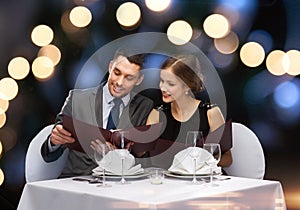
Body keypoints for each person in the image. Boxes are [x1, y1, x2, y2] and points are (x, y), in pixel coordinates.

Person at [41, 48, 154, 177]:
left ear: (139, 80)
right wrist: (53, 142)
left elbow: (143, 159)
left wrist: (119, 154)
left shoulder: (144, 106)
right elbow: (49, 154)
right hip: (78, 181)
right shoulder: (77, 99)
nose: (119, 82)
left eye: (129, 78)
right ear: (110, 67)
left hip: (121, 184)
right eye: (117, 73)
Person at [146, 54, 232, 168]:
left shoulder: (210, 113)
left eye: (170, 84)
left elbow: (228, 159)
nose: (163, 88)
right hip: (169, 182)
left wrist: (202, 161)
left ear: (187, 86)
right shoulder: (157, 114)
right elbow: (146, 156)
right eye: (162, 81)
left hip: (203, 182)